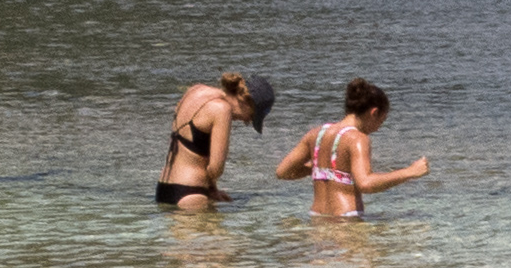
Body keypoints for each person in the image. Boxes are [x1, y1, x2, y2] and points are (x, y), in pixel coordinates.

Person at [276, 77, 430, 219]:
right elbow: (365, 183)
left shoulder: (316, 134)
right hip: (346, 218)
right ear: (374, 112)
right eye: (381, 122)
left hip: (317, 218)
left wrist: (319, 166)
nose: (377, 129)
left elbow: (283, 172)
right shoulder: (358, 139)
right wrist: (409, 172)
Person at [157, 72, 274, 211]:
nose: (246, 121)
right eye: (251, 116)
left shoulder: (195, 90)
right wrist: (211, 184)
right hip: (192, 193)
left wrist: (212, 189)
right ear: (246, 101)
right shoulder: (222, 110)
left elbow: (192, 147)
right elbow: (216, 169)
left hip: (163, 189)